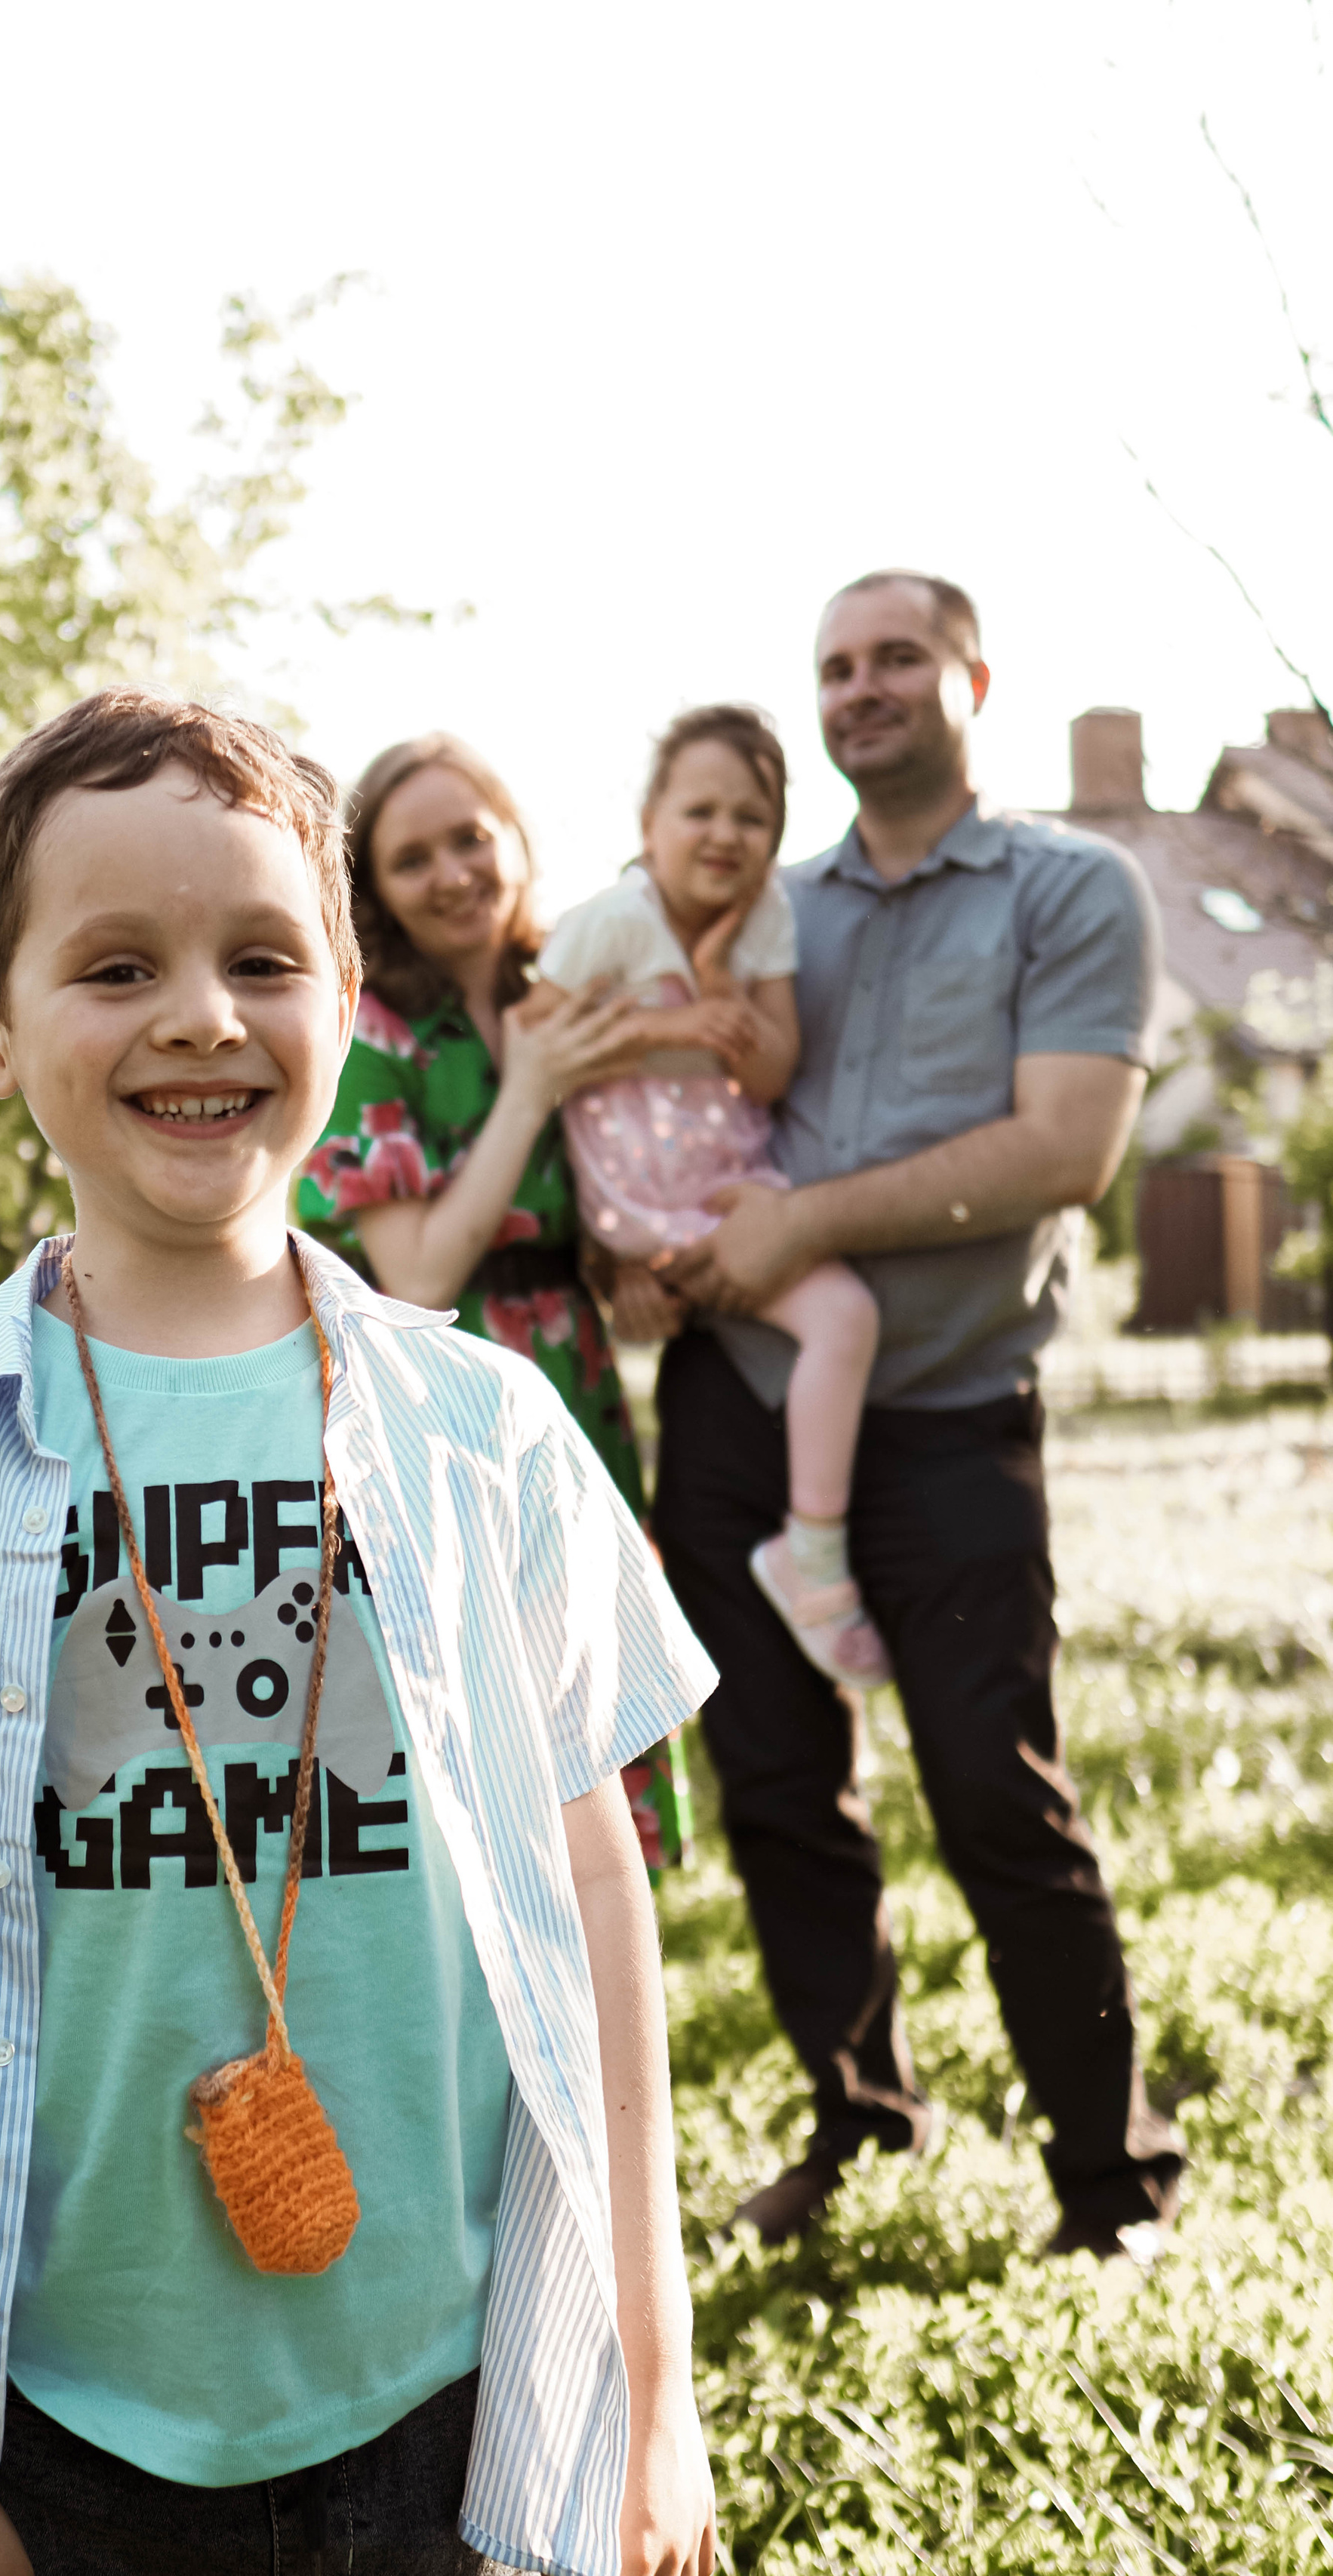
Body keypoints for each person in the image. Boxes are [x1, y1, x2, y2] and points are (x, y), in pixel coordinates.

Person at [0, 690, 720, 2576]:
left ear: (343, 1000)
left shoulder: (487, 1434)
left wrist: (655, 2377)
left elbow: (593, 1893)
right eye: (114, 965)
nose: (201, 1016)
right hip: (56, 2437)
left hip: (454, 2403)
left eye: (261, 958)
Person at [646, 572, 1184, 2261]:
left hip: (948, 1412)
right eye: (831, 666)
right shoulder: (756, 895)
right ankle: (856, 2123)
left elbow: (1064, 1151)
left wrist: (807, 1223)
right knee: (777, 1789)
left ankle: (1111, 2187)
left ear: (970, 677)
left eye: (893, 658)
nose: (858, 687)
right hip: (739, 1400)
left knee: (994, 1798)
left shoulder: (1069, 890)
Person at [297, 734, 697, 1873]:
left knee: (585, 1696)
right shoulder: (370, 1034)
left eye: (472, 835)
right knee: (476, 1725)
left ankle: (602, 2004)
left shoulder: (568, 993)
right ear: (374, 888)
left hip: (574, 1387)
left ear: (518, 839)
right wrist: (527, 1091)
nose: (455, 870)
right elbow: (414, 1273)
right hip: (437, 1392)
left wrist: (626, 1256)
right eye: (413, 856)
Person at [540, 706, 887, 1689]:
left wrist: (721, 973)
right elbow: (534, 1037)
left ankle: (810, 1544)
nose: (725, 834)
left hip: (733, 1192)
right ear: (650, 822)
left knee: (845, 1315)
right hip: (638, 1199)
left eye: (752, 816)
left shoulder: (766, 915)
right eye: (699, 809)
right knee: (836, 1315)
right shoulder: (612, 919)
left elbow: (772, 1074)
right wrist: (672, 1020)